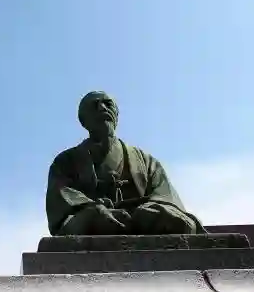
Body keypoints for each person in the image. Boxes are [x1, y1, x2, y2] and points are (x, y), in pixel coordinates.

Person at [46, 91, 205, 236]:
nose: (102, 108)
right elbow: (62, 201)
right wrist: (94, 210)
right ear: (83, 120)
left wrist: (148, 209)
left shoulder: (146, 161)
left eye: (107, 104)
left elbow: (165, 196)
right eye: (94, 105)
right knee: (92, 219)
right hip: (93, 218)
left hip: (141, 217)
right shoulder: (65, 162)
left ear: (116, 114)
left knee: (172, 219)